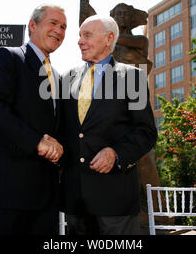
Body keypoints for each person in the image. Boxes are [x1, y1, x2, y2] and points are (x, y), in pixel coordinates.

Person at [59, 15, 157, 235]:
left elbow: (147, 132)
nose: (79, 41)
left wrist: (116, 153)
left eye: (87, 35)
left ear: (108, 38)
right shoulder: (66, 78)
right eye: (79, 36)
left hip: (115, 202)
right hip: (75, 201)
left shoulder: (132, 77)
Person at [0, 4, 66, 235]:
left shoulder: (58, 77)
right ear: (32, 26)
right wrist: (36, 141)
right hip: (4, 197)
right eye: (53, 23)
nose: (59, 30)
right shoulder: (7, 57)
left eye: (64, 26)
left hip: (46, 201)